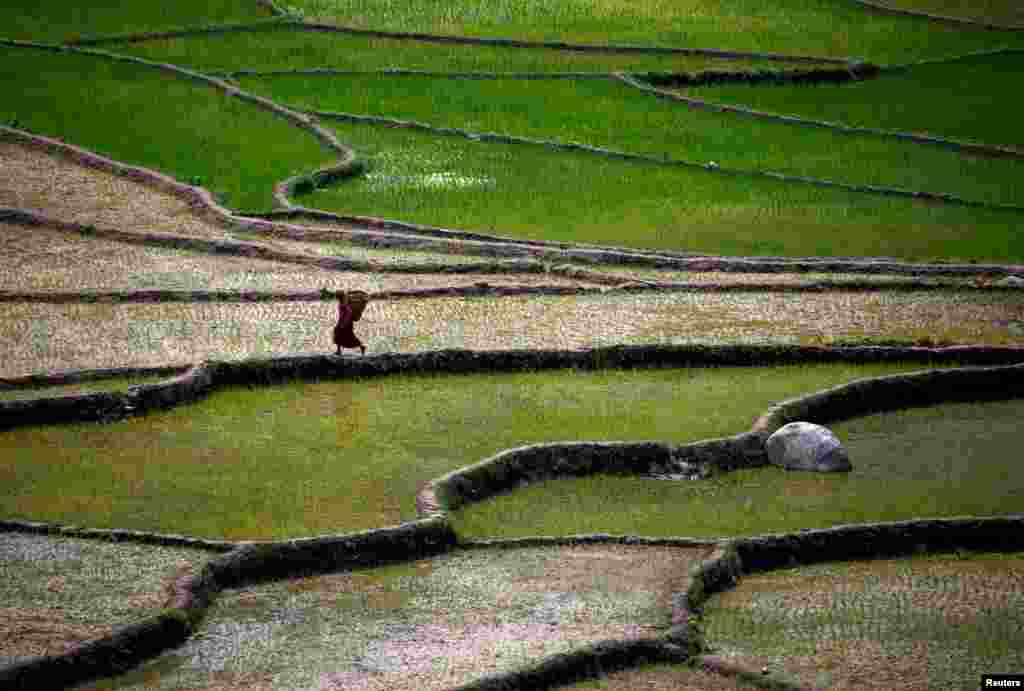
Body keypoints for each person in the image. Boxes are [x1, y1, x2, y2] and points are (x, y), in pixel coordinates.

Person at [329, 289, 368, 355]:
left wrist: (345, 322)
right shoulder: (342, 302)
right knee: (338, 333)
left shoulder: (344, 303)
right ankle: (338, 350)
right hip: (342, 321)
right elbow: (342, 314)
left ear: (339, 296)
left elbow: (349, 312)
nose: (336, 297)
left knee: (349, 336)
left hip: (346, 322)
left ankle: (361, 347)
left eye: (337, 296)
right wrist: (340, 322)